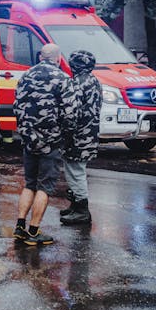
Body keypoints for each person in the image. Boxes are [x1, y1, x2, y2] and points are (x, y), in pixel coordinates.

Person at [13, 43, 78, 246]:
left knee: (29, 183)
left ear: (41, 56)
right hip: (51, 140)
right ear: (58, 58)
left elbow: (17, 105)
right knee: (45, 186)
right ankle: (34, 231)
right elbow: (71, 113)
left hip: (28, 138)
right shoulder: (62, 78)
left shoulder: (25, 76)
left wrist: (25, 131)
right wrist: (65, 135)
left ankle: (20, 226)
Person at [59, 50, 102, 226]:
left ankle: (82, 210)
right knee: (77, 170)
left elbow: (72, 112)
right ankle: (76, 205)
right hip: (90, 132)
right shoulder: (95, 81)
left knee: (75, 171)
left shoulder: (76, 83)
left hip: (77, 134)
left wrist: (65, 135)